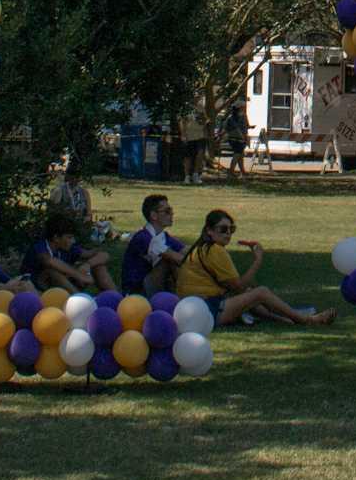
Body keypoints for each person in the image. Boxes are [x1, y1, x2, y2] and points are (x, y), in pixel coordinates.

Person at [173, 209, 333, 326]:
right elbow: (238, 286)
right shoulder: (214, 250)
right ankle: (307, 320)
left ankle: (287, 319)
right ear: (209, 230)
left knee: (252, 294)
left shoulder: (200, 248)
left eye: (231, 229)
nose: (228, 234)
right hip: (208, 310)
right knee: (260, 292)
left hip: (193, 310)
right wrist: (257, 260)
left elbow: (237, 288)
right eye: (223, 229)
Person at [23, 213, 115, 293]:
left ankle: (117, 300)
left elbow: (104, 255)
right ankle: (80, 300)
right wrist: (80, 276)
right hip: (35, 289)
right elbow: (49, 261)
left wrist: (87, 265)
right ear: (56, 238)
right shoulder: (40, 247)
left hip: (61, 287)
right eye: (69, 237)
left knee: (98, 266)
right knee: (53, 272)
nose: (73, 241)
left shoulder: (67, 248)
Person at [121, 194, 186, 295]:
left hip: (154, 287)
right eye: (167, 211)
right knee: (170, 260)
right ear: (154, 215)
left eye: (171, 210)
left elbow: (187, 251)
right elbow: (178, 258)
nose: (172, 214)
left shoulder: (164, 236)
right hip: (136, 292)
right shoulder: (142, 238)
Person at [176, 107, 208, 185]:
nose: (197, 96)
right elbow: (181, 122)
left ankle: (195, 175)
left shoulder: (201, 108)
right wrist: (183, 134)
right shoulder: (185, 108)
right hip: (189, 136)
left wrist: (204, 127)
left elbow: (205, 121)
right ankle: (187, 177)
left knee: (199, 155)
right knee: (188, 157)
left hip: (200, 136)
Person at [222, 105, 248, 180]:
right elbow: (240, 129)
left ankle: (242, 173)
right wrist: (244, 138)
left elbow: (225, 128)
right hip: (237, 139)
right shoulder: (234, 118)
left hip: (235, 139)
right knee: (237, 155)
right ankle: (231, 172)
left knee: (240, 156)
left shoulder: (232, 118)